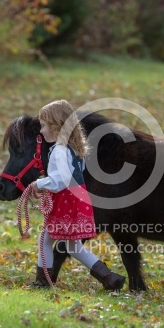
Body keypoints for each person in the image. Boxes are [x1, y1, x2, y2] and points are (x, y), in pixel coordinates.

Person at [29, 100, 125, 291]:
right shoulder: (73, 148)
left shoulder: (59, 151)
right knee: (73, 246)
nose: (41, 131)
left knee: (47, 239)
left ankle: (42, 282)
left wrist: (38, 183)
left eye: (43, 126)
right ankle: (110, 278)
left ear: (56, 126)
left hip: (66, 201)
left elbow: (61, 179)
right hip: (78, 200)